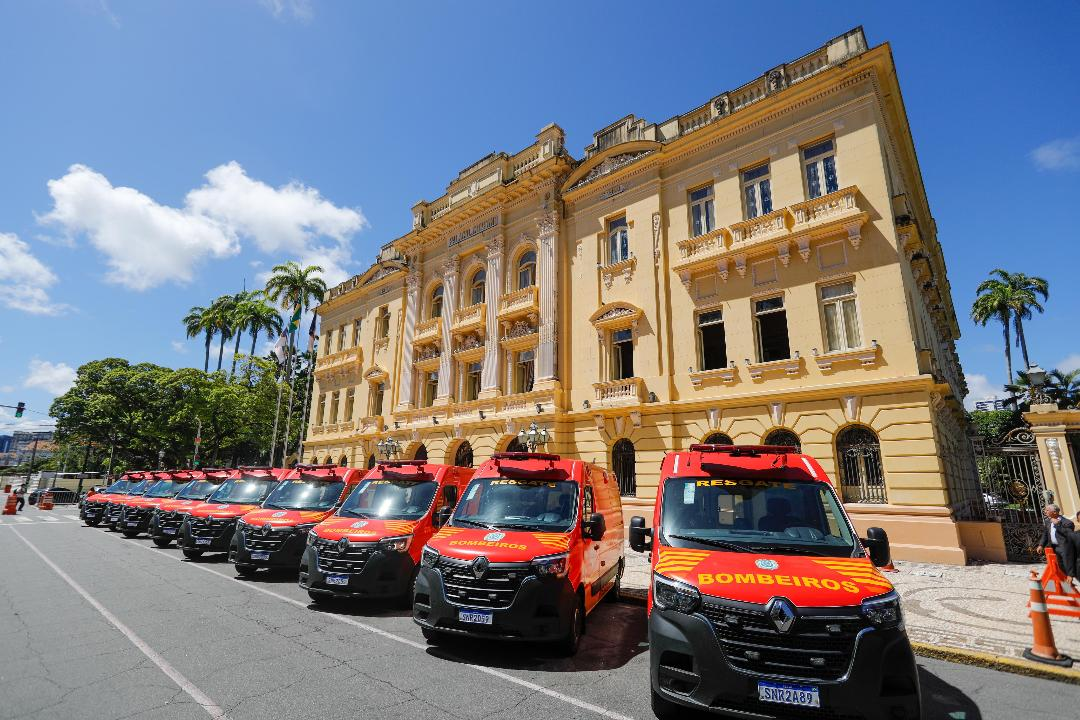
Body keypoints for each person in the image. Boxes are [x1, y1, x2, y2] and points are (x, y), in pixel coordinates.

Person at [1036, 503, 1075, 570]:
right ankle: (1061, 579)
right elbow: (1045, 534)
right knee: (1057, 566)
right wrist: (1041, 545)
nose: (1045, 511)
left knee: (1066, 566)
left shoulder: (1067, 523)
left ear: (1054, 512)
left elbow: (1068, 534)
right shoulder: (1048, 521)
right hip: (1053, 547)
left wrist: (1058, 524)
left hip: (1064, 547)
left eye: (1047, 510)